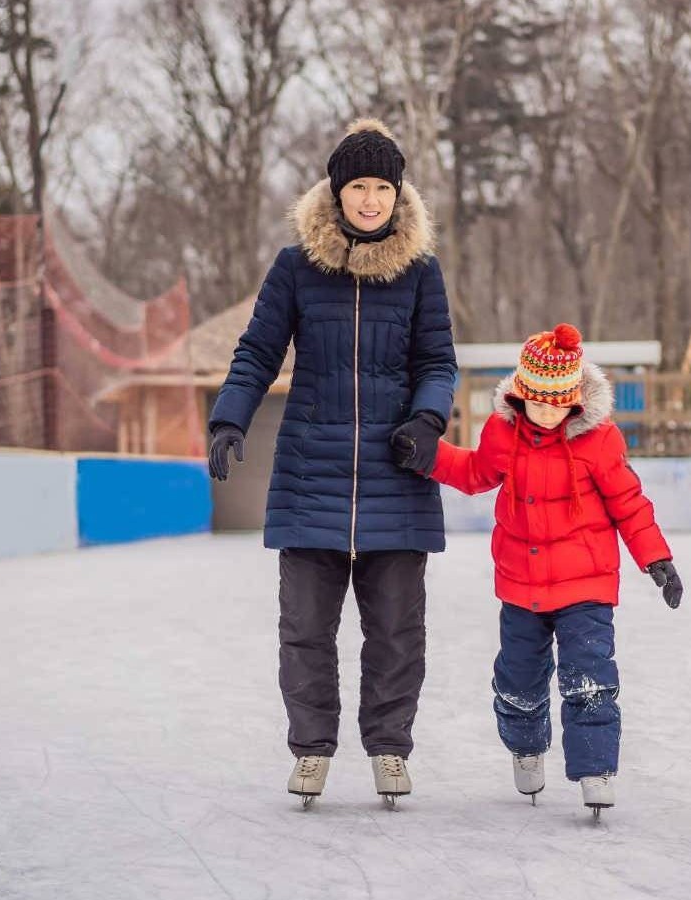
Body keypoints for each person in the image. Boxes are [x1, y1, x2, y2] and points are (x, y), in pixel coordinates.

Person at [207, 118, 457, 807]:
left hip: (397, 475)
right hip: (308, 476)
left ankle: (390, 748)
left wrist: (427, 419)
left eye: (382, 188)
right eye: (358, 187)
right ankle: (312, 749)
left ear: (398, 195)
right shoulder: (296, 268)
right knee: (305, 631)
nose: (370, 200)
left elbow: (438, 362)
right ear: (337, 192)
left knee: (398, 633)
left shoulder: (420, 273)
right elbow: (258, 351)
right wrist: (229, 416)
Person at [396, 323, 682, 815]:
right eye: (538, 402)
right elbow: (475, 473)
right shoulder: (503, 433)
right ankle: (526, 748)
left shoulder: (599, 440)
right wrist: (429, 457)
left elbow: (629, 503)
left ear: (574, 399)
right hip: (521, 584)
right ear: (521, 395)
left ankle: (595, 768)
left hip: (586, 584)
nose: (547, 411)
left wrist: (656, 558)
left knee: (590, 677)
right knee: (518, 680)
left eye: (558, 402)